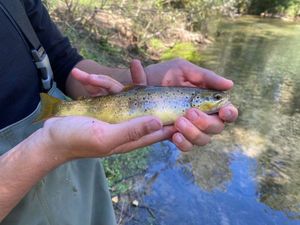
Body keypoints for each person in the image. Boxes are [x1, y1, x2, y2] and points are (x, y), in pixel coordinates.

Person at [0, 0, 238, 224]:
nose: (219, 101)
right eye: (215, 99)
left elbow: (62, 60)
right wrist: (49, 148)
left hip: (77, 175)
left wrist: (132, 80)